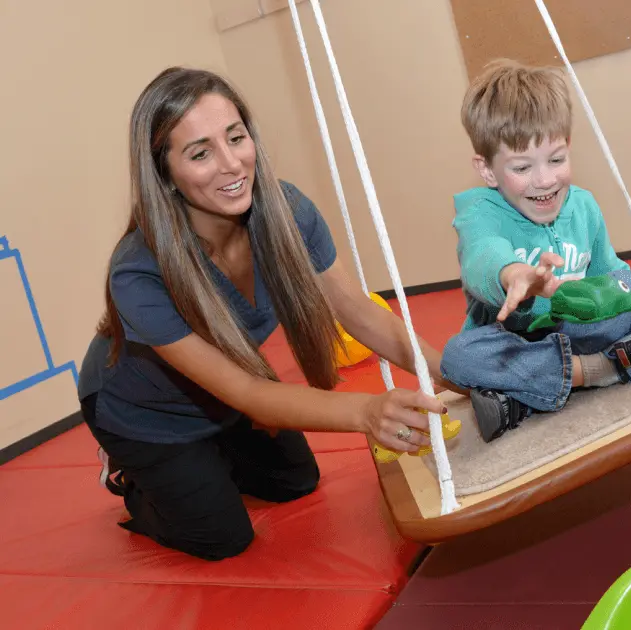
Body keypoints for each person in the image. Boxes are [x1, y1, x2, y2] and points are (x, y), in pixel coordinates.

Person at [77, 66, 457, 561]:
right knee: (223, 539)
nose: (232, 164)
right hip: (145, 415)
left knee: (297, 481)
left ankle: (207, 459)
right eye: (200, 153)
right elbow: (251, 394)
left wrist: (450, 375)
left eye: (236, 137)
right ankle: (129, 474)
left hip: (224, 395)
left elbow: (359, 313)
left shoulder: (286, 212)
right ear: (165, 173)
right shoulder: (138, 273)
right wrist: (367, 411)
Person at [440, 59, 631, 443]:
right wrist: (513, 273)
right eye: (522, 167)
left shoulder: (583, 206)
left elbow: (608, 269)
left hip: (579, 328)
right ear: (486, 170)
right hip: (515, 344)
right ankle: (610, 368)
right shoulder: (479, 213)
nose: (545, 180)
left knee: (627, 281)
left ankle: (522, 399)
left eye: (556, 159)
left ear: (569, 147)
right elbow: (482, 252)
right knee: (458, 358)